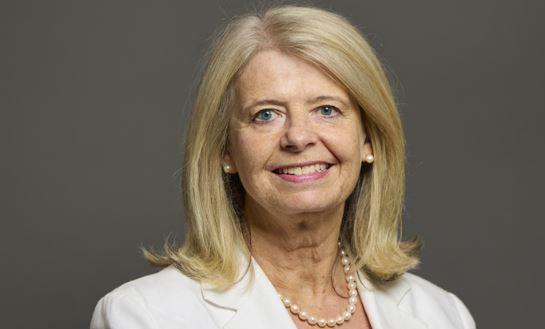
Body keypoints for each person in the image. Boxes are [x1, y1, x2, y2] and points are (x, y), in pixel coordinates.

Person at [90, 4, 476, 329]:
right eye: (266, 114)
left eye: (327, 110)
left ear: (368, 140)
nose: (298, 137)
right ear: (226, 150)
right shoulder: (145, 316)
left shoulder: (443, 315)